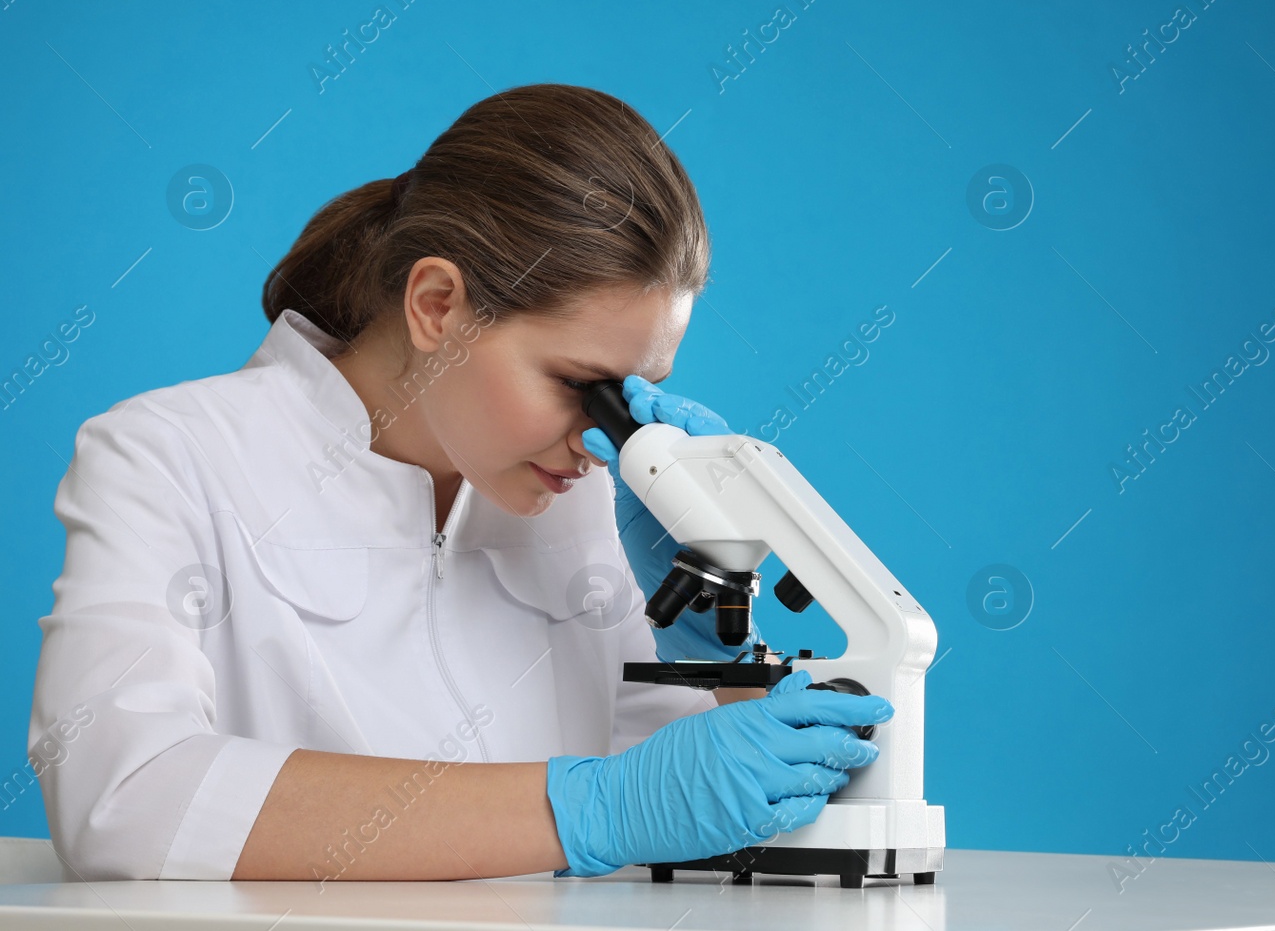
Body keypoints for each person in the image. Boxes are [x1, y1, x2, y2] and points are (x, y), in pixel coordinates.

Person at [27, 83, 892, 882]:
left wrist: (723, 657)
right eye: (579, 384)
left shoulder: (593, 503)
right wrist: (588, 807)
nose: (604, 443)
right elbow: (125, 803)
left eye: (631, 397)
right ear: (437, 304)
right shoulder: (168, 455)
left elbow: (683, 829)